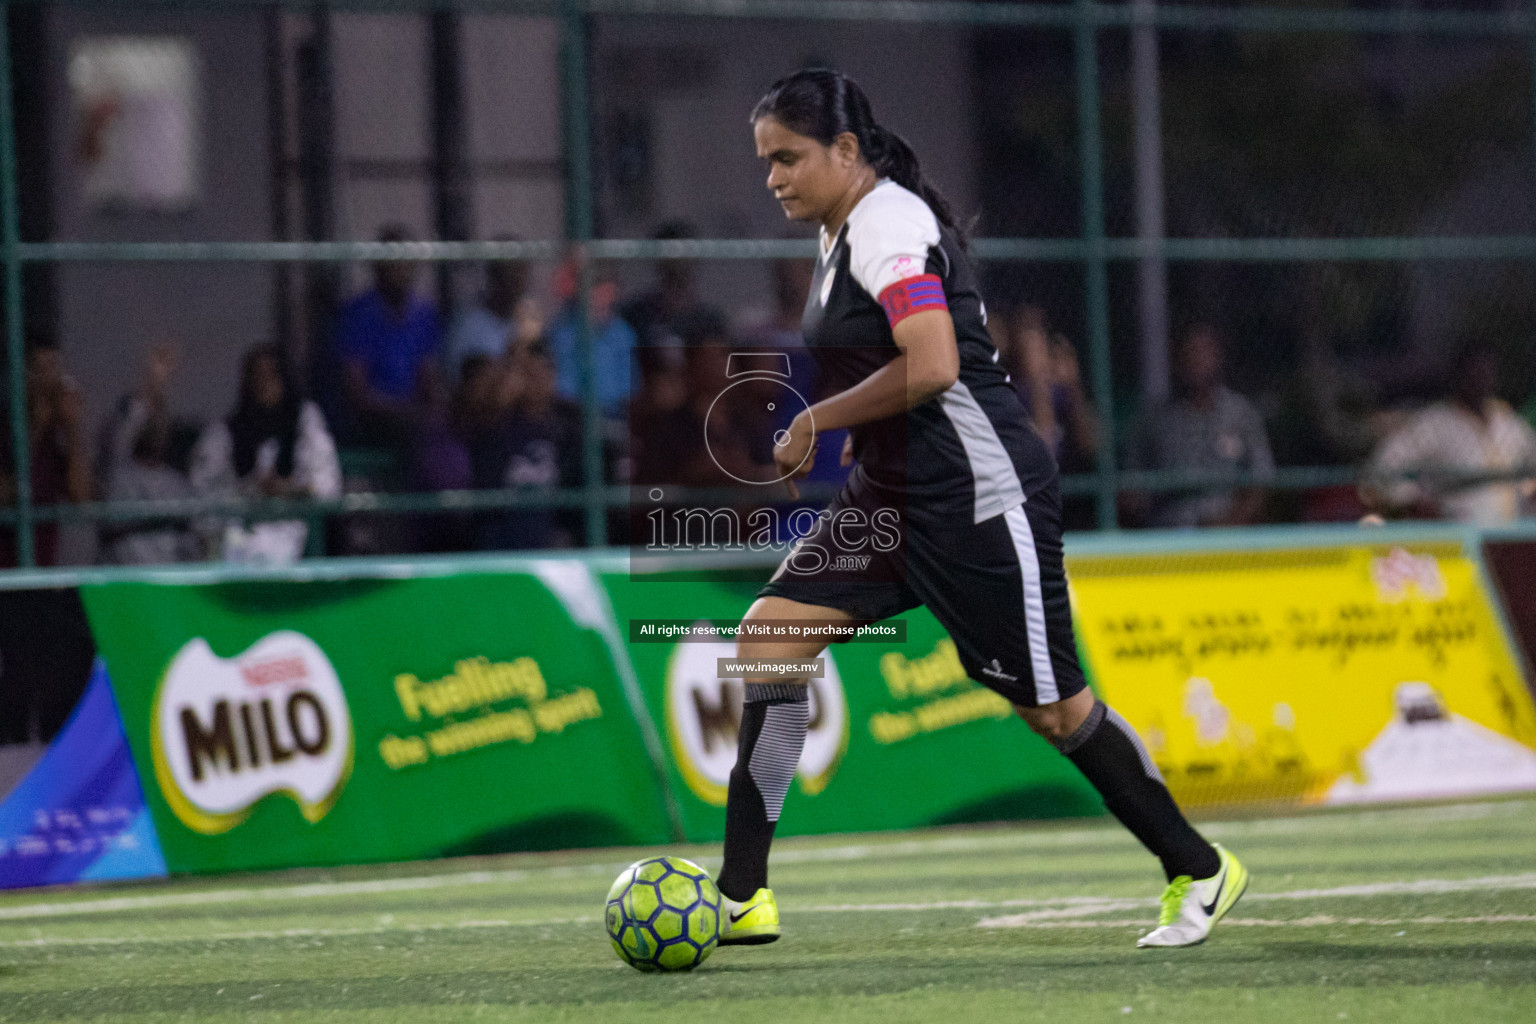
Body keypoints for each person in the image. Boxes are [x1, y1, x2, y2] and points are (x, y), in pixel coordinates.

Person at [712, 69, 1247, 950]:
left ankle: (1199, 867)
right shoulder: (842, 225)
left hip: (977, 497)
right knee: (769, 640)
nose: (772, 177)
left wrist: (821, 417)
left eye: (788, 158)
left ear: (846, 151)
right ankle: (741, 896)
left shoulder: (887, 224)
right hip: (892, 498)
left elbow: (935, 367)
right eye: (766, 160)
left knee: (1055, 709)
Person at [190, 344, 341, 563]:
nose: (264, 383)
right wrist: (247, 491)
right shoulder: (228, 429)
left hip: (293, 526)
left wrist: (290, 489)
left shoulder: (305, 420)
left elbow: (328, 487)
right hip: (240, 531)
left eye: (271, 374)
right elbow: (204, 493)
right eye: (257, 376)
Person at [1364, 341, 1536, 525]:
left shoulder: (1509, 424)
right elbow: (1383, 467)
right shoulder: (1435, 424)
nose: (1481, 378)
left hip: (1513, 537)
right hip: (1458, 535)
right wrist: (1414, 501)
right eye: (1474, 371)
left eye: (1486, 370)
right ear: (1459, 375)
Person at [1124, 323, 1274, 528]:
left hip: (1228, 537)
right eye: (1189, 353)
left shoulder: (1240, 413)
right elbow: (1131, 487)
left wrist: (1229, 524)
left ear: (1218, 357)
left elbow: (1261, 481)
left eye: (1204, 353)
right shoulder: (1154, 419)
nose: (1196, 361)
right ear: (1177, 360)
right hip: (1167, 535)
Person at [332, 223, 443, 448]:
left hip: (414, 419)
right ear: (377, 266)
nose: (400, 270)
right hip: (369, 422)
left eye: (406, 262)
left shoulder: (424, 314)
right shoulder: (356, 316)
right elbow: (357, 395)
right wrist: (405, 413)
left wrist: (433, 408)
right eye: (392, 261)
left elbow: (429, 379)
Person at [0, 339, 91, 567]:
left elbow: (81, 498)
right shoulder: (5, 430)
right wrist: (37, 426)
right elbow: (6, 496)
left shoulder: (55, 439)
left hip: (43, 570)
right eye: (40, 370)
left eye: (54, 370)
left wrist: (72, 430)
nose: (48, 381)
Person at [444, 244, 544, 381]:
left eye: (522, 272)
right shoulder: (469, 327)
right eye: (512, 271)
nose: (519, 281)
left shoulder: (527, 323)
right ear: (494, 277)